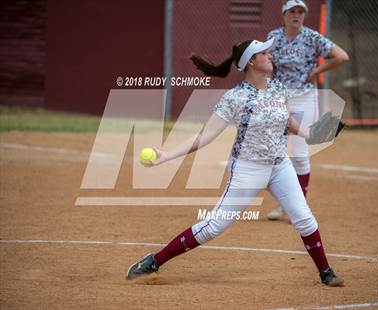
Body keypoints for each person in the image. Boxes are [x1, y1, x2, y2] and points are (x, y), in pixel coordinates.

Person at [126, 38, 344, 287]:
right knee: (214, 226)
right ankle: (155, 260)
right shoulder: (235, 98)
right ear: (251, 61)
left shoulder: (278, 88)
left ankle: (325, 272)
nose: (271, 55)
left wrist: (311, 133)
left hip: (279, 165)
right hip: (247, 169)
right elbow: (204, 136)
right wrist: (167, 156)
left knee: (305, 218)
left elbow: (287, 123)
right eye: (264, 53)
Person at [266, 0, 349, 220]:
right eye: (292, 11)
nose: (296, 15)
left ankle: (298, 209)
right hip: (279, 100)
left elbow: (341, 56)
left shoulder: (312, 37)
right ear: (283, 14)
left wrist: (318, 71)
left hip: (304, 98)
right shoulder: (273, 37)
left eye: (300, 12)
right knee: (276, 153)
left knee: (300, 156)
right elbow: (265, 64)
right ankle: (284, 204)